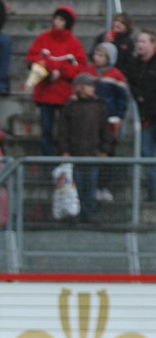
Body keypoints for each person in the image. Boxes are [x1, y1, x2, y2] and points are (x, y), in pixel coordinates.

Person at [25, 6, 86, 157]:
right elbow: (32, 57)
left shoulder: (74, 44)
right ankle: (48, 163)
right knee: (46, 130)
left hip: (64, 95)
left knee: (65, 131)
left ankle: (63, 163)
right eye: (56, 18)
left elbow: (80, 67)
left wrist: (61, 72)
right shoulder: (43, 38)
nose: (56, 22)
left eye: (61, 19)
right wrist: (44, 68)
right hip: (45, 94)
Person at [57, 73, 112, 224]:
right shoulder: (70, 106)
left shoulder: (99, 105)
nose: (92, 88)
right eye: (90, 85)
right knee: (77, 185)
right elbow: (63, 130)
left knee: (91, 185)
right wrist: (65, 150)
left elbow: (105, 129)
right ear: (80, 88)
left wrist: (105, 150)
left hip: (92, 153)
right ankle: (76, 213)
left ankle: (90, 212)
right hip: (75, 154)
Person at [86, 42, 128, 204]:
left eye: (101, 55)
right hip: (90, 122)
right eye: (96, 54)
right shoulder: (88, 73)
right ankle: (93, 188)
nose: (97, 58)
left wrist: (118, 116)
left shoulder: (116, 76)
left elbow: (122, 100)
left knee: (107, 155)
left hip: (109, 122)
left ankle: (105, 187)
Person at [128, 30, 156, 203]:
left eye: (144, 41)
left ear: (153, 44)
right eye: (138, 41)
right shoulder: (134, 64)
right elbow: (132, 85)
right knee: (146, 154)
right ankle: (154, 191)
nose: (139, 44)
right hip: (146, 119)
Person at [91, 12, 135, 79]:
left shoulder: (129, 42)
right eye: (116, 21)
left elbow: (128, 62)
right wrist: (104, 44)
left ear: (127, 27)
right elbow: (92, 54)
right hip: (100, 73)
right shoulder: (103, 36)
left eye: (122, 23)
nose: (118, 24)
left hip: (119, 75)